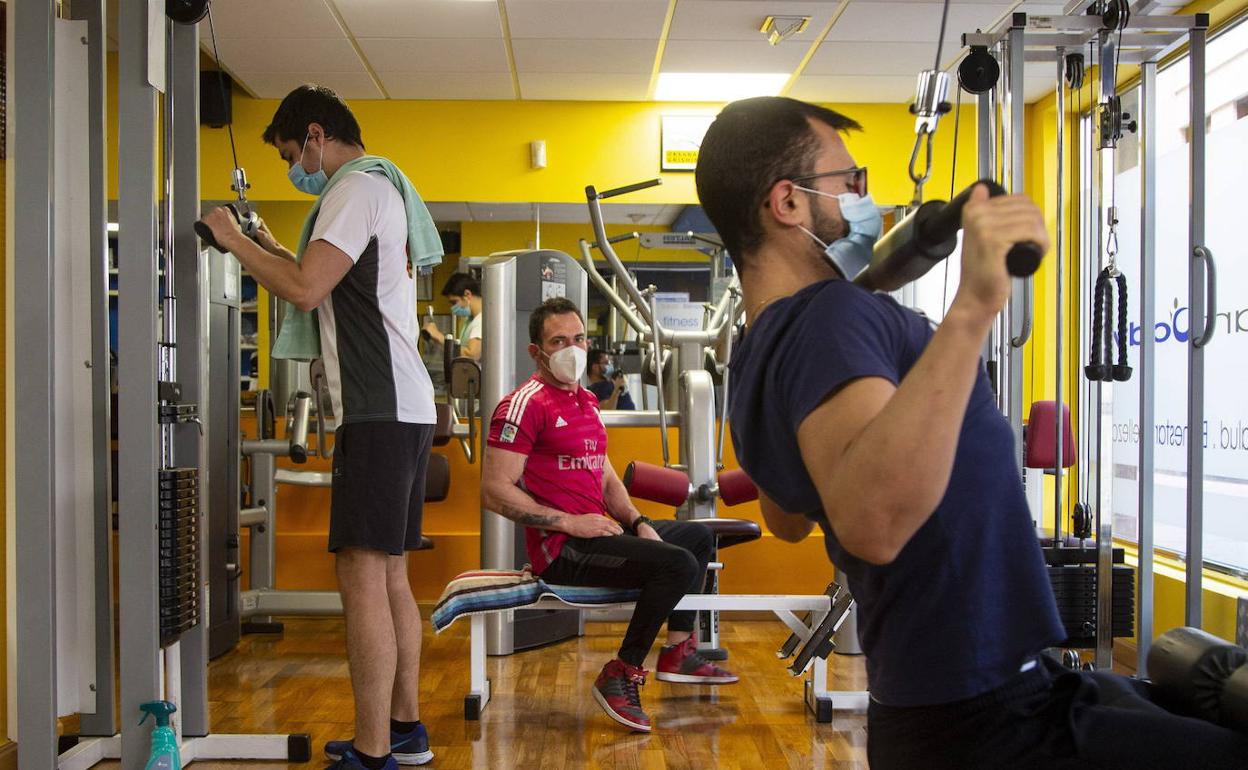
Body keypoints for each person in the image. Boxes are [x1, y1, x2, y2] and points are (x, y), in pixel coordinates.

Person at [694, 96, 1248, 769]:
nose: (867, 199)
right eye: (850, 182)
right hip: (989, 724)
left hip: (976, 702)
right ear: (788, 203)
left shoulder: (756, 348)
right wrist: (975, 304)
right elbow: (871, 521)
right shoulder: (833, 315)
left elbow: (786, 513)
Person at [202, 85, 441, 770]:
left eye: (289, 155)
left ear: (314, 135)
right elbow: (324, 275)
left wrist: (226, 239)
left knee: (362, 574)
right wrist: (268, 244)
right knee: (389, 572)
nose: (292, 171)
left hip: (379, 406)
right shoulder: (379, 190)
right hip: (403, 404)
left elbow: (306, 289)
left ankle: (371, 752)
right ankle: (401, 730)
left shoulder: (352, 188)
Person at [481, 298, 737, 733]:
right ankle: (622, 671)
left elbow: (605, 478)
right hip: (564, 549)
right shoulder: (523, 404)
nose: (572, 349)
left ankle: (677, 650)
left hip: (600, 533)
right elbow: (493, 490)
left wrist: (638, 523)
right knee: (678, 563)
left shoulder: (585, 402)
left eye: (578, 339)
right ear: (536, 351)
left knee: (696, 537)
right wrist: (567, 522)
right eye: (558, 341)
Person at [423, 272, 482, 361]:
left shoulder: (481, 321)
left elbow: (471, 355)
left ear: (467, 294)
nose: (453, 308)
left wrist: (440, 337)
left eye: (454, 302)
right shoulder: (470, 320)